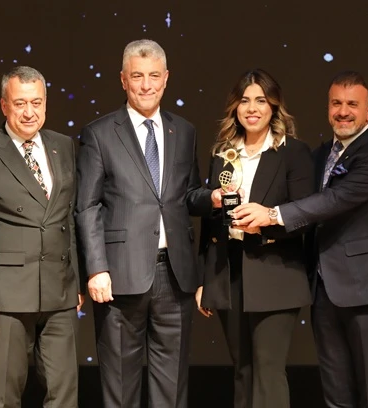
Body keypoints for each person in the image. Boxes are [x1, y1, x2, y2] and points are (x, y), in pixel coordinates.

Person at [234, 71, 368, 408]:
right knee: (335, 393)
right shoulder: (321, 153)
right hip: (324, 287)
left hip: (365, 288)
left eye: (352, 104)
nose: (343, 111)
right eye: (336, 103)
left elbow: (332, 201)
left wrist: (272, 214)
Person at [75, 39, 216, 408]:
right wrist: (96, 268)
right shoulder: (99, 133)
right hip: (119, 278)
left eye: (154, 76)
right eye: (137, 76)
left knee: (172, 388)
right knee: (120, 386)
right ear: (123, 80)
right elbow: (87, 206)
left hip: (175, 276)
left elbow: (188, 195)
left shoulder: (183, 131)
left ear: (166, 78)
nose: (146, 85)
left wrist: (214, 198)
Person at [0, 66, 83, 408]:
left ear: (46, 104)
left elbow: (68, 217)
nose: (29, 112)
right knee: (5, 397)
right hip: (7, 298)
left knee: (65, 395)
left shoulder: (63, 146)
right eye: (20, 103)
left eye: (36, 103)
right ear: (4, 105)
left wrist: (75, 280)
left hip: (59, 292)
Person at [196, 68, 314, 408]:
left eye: (261, 100)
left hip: (275, 270)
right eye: (245, 100)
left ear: (274, 106)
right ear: (235, 106)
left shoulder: (293, 152)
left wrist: (265, 222)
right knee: (242, 371)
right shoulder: (223, 153)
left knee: (268, 371)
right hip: (228, 272)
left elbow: (305, 215)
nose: (252, 108)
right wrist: (205, 278)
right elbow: (211, 222)